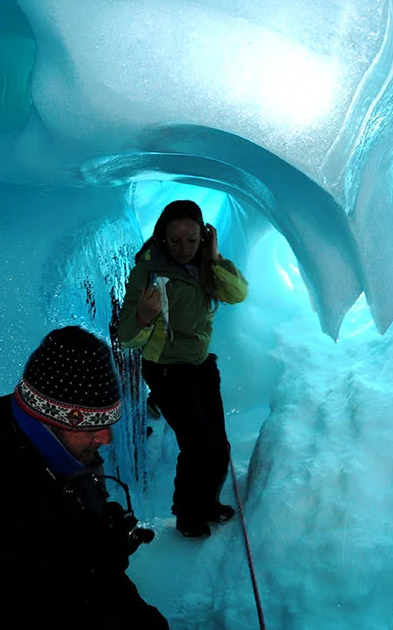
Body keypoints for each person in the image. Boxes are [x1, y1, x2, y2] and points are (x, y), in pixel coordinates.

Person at [0, 326, 169, 630]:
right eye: (94, 426)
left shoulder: (54, 448)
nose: (106, 439)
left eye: (108, 423)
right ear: (51, 417)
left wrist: (103, 534)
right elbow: (30, 605)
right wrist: (104, 553)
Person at [117, 200, 248, 538]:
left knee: (219, 448)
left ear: (203, 237)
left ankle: (206, 503)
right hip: (166, 371)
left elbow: (238, 294)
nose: (183, 248)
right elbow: (127, 337)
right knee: (199, 447)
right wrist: (144, 317)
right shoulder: (148, 272)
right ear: (162, 236)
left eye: (192, 239)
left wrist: (216, 258)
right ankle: (187, 514)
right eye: (175, 239)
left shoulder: (206, 265)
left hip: (201, 365)